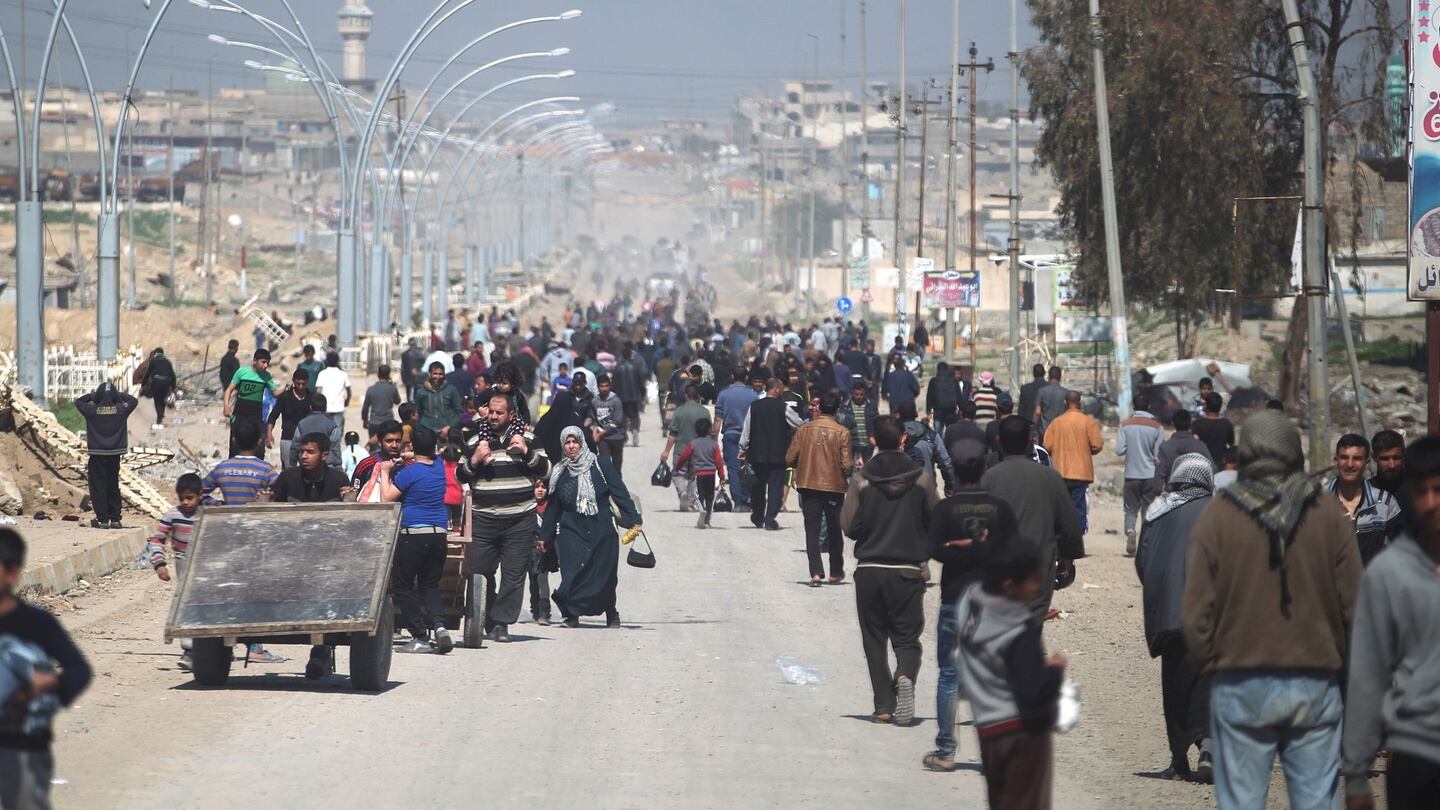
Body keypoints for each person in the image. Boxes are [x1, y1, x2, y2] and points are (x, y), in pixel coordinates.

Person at [1182, 410, 1362, 810]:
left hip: (1240, 681)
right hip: (1315, 681)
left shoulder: (1220, 514)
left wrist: (1215, 666)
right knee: (1317, 798)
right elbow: (1355, 608)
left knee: (1242, 801)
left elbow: (1195, 616)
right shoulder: (1328, 513)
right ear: (1294, 454)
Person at [1341, 435, 1440, 810]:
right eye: (1421, 492)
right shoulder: (1388, 573)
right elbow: (1369, 674)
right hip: (1414, 751)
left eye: (1438, 490)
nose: (1430, 503)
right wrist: (1355, 771)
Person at [923, 439, 1018, 773]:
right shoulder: (1001, 509)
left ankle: (946, 751)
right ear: (983, 469)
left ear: (957, 473)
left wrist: (963, 547)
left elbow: (933, 549)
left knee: (949, 676)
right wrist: (984, 547)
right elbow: (1011, 551)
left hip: (954, 599)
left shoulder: (945, 509)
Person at [840, 415, 937, 726]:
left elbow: (849, 526)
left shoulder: (862, 479)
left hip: (869, 569)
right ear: (902, 440)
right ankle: (905, 673)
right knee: (907, 637)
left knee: (874, 639)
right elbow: (935, 520)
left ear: (873, 441)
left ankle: (884, 706)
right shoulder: (921, 478)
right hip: (908, 569)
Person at [956, 541, 1065, 810]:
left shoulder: (970, 604)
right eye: (1034, 580)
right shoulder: (1018, 628)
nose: (1040, 585)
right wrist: (1054, 672)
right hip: (1023, 735)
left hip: (989, 730)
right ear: (1009, 585)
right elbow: (1031, 693)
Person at [1135, 454, 1216, 782]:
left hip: (1172, 616)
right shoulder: (1224, 511)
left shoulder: (1159, 510)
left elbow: (1143, 563)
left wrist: (1162, 594)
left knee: (1176, 684)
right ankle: (1209, 746)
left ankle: (1178, 759)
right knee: (1209, 681)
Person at [0, 529, 92, 810]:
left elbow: (79, 670)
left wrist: (48, 684)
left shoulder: (37, 624)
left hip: (24, 748)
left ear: (12, 573)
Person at [458, 393, 548, 643]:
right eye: (492, 412)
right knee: (479, 571)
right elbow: (460, 475)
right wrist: (475, 460)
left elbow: (547, 470)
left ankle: (502, 623)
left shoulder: (528, 438)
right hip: (484, 519)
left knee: (514, 574)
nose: (494, 416)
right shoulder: (476, 439)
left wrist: (527, 452)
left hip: (519, 519)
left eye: (500, 412)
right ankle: (485, 617)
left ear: (511, 414)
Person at [539, 425, 643, 628]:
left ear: (582, 443)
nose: (571, 447)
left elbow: (619, 492)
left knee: (604, 575)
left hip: (602, 529)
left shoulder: (601, 464)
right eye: (567, 443)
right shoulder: (560, 471)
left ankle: (611, 611)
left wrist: (634, 519)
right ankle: (571, 613)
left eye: (574, 442)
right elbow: (553, 507)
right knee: (571, 573)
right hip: (570, 530)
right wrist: (545, 535)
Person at [982, 416, 1084, 620]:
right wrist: (1067, 558)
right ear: (1030, 441)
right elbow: (1069, 524)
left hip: (1001, 571)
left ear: (1000, 442)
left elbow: (978, 526)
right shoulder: (1050, 478)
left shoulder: (989, 479)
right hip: (1038, 571)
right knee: (1030, 628)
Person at [377, 426, 454, 655]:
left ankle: (420, 636)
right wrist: (413, 454)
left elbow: (386, 499)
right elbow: (433, 454)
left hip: (413, 535)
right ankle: (439, 625)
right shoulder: (439, 467)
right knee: (430, 584)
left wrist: (384, 471)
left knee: (403, 586)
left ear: (411, 446)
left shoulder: (408, 474)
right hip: (439, 534)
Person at [786, 391, 852, 584]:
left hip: (808, 485)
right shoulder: (842, 432)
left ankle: (815, 572)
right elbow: (847, 465)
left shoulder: (803, 430)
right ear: (837, 410)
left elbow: (789, 458)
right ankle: (836, 571)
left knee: (812, 530)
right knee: (834, 529)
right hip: (833, 487)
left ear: (820, 408)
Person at [146, 473, 203, 670]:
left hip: (205, 562)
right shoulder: (173, 515)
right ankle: (189, 650)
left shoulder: (207, 513)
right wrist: (159, 563)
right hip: (183, 562)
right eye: (182, 498)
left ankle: (211, 647)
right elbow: (157, 540)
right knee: (186, 603)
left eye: (190, 498)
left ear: (200, 495)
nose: (186, 503)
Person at [1327, 433, 1404, 566]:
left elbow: (1402, 552)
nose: (1350, 464)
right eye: (1344, 458)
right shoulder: (1316, 503)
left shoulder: (1385, 503)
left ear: (1367, 462)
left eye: (1357, 458)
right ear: (1336, 461)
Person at [75, 382, 138, 530]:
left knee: (98, 486)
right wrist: (118, 396)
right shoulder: (121, 409)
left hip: (97, 454)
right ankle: (115, 519)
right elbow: (133, 401)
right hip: (114, 454)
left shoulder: (92, 410)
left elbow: (79, 401)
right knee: (113, 485)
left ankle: (103, 519)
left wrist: (93, 396)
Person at [741, 376, 800, 530]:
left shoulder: (754, 407)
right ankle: (770, 519)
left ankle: (758, 516)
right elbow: (798, 423)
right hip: (778, 454)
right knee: (775, 488)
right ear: (776, 389)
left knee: (758, 488)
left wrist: (742, 448)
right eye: (780, 388)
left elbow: (746, 429)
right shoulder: (783, 408)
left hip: (757, 454)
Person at [1043, 390, 1103, 535]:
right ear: (1080, 403)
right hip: (1081, 473)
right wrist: (1085, 451)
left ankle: (1062, 535)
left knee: (1062, 506)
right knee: (1079, 506)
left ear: (1065, 403)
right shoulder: (1088, 422)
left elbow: (1047, 445)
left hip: (1060, 472)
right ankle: (1078, 536)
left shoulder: (1057, 422)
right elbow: (1097, 445)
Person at [1117, 392, 1166, 556]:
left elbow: (1119, 450)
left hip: (1131, 474)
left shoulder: (1125, 425)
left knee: (1130, 508)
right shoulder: (1157, 426)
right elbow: (1159, 454)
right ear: (1149, 407)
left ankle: (1130, 531)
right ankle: (1145, 540)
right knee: (1148, 509)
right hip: (1150, 475)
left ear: (1133, 407)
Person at [660, 385, 710, 513]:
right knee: (694, 476)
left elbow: (673, 433)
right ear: (697, 396)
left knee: (677, 474)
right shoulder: (704, 412)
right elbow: (709, 433)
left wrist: (666, 451)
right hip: (698, 450)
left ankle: (682, 492)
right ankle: (691, 502)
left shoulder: (679, 411)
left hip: (681, 449)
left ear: (686, 396)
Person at [223, 349, 281, 459]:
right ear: (255, 361)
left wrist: (286, 388)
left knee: (258, 449)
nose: (266, 365)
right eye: (263, 362)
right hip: (239, 416)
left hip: (255, 417)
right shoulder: (242, 372)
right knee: (235, 448)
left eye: (268, 363)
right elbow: (229, 390)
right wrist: (226, 406)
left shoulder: (266, 376)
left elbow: (275, 393)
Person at [714, 368, 760, 507]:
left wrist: (713, 439)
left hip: (730, 435)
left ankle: (738, 500)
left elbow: (718, 418)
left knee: (733, 469)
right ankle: (747, 497)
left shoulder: (724, 394)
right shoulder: (753, 395)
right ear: (746, 377)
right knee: (748, 467)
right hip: (749, 437)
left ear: (732, 376)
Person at [271, 432, 351, 504]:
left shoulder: (339, 479)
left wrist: (348, 496)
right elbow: (272, 504)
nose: (304, 456)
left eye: (310, 452)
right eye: (302, 451)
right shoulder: (288, 477)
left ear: (324, 455)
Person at [676, 417, 727, 529]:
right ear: (709, 429)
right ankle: (707, 520)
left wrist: (678, 467)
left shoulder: (693, 444)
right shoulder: (713, 444)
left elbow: (684, 456)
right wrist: (722, 476)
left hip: (698, 474)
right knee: (710, 497)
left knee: (699, 496)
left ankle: (701, 511)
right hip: (711, 474)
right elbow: (719, 461)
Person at [266, 370, 312, 471]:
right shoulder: (285, 397)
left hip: (306, 440)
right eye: (298, 384)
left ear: (307, 382)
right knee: (288, 470)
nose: (300, 387)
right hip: (288, 438)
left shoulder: (310, 397)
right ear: (293, 381)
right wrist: (269, 433)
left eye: (303, 384)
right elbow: (273, 416)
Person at [1156, 410, 1212, 487]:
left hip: (1173, 493)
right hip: (1196, 493)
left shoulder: (1165, 447)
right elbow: (1212, 469)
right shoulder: (1200, 446)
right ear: (1190, 423)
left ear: (1173, 424)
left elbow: (1159, 474)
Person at [1368, 429, 1412, 519]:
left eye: (1396, 458)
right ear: (1374, 457)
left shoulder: (1417, 489)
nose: (1392, 465)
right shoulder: (1366, 492)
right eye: (1385, 459)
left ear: (1404, 455)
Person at [528, 478, 555, 626]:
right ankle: (535, 609)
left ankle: (545, 611)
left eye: (543, 487)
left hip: (545, 548)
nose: (540, 490)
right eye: (537, 487)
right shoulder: (528, 507)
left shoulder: (550, 507)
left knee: (541, 578)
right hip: (529, 548)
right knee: (532, 579)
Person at [291, 393, 342, 469]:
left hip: (307, 466)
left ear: (310, 407)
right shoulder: (332, 425)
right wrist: (338, 466)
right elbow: (335, 448)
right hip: (327, 466)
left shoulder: (302, 424)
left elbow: (296, 444)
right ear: (325, 407)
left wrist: (293, 461)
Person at [414, 361, 464, 438]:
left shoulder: (451, 390)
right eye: (435, 373)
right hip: (427, 430)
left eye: (440, 374)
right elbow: (418, 413)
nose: (438, 377)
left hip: (446, 431)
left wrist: (449, 426)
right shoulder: (421, 392)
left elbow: (459, 412)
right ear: (429, 374)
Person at [352, 420, 405, 492]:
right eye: (389, 441)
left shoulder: (408, 465)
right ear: (380, 442)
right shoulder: (366, 465)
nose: (394, 445)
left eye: (398, 441)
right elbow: (354, 492)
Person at [590, 373, 628, 472]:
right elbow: (594, 420)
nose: (604, 388)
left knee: (617, 466)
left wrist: (601, 434)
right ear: (598, 387)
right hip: (604, 440)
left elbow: (617, 421)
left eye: (606, 386)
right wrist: (595, 433)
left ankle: (617, 486)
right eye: (602, 386)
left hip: (616, 437)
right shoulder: (594, 402)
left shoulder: (616, 401)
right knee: (605, 465)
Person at [837, 381, 878, 465]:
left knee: (866, 467)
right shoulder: (845, 406)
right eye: (857, 394)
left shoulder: (871, 405)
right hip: (851, 444)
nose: (859, 397)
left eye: (861, 394)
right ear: (852, 394)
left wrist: (873, 436)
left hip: (867, 443)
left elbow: (876, 422)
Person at [1191, 393, 1234, 469]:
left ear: (1206, 405)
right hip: (1220, 466)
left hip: (1202, 465)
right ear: (1220, 406)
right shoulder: (1226, 424)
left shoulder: (1198, 423)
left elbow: (1193, 445)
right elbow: (1231, 445)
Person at [314, 352, 351, 435]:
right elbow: (348, 389)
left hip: (325, 408)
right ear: (338, 361)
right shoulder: (343, 374)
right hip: (339, 407)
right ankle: (335, 448)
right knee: (337, 432)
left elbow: (318, 391)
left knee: (325, 431)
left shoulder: (322, 374)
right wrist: (347, 400)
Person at [139, 347, 176, 428]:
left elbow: (148, 373)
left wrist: (143, 385)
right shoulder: (167, 362)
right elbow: (173, 376)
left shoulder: (153, 361)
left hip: (157, 382)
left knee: (157, 401)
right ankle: (161, 417)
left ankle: (160, 418)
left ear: (155, 354)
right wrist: (173, 387)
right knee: (162, 400)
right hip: (166, 383)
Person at [361, 365, 402, 436]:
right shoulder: (392, 388)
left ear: (378, 375)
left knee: (374, 445)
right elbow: (397, 401)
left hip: (374, 422)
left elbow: (365, 407)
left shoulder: (371, 389)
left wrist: (365, 420)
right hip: (388, 422)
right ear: (389, 375)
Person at [1033, 366, 1067, 441]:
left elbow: (1037, 412)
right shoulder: (1066, 392)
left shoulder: (1041, 391)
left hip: (1045, 430)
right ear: (1060, 377)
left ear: (1049, 376)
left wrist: (1034, 427)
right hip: (1061, 430)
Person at [925, 362, 960, 428]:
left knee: (938, 433)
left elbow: (929, 396)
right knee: (951, 431)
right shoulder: (953, 381)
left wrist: (928, 410)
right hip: (951, 411)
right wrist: (961, 409)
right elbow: (958, 396)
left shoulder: (933, 381)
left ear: (938, 370)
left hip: (938, 411)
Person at [1017, 363, 1047, 433]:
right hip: (1046, 424)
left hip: (1028, 424)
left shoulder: (1025, 388)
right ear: (1044, 373)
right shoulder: (1049, 388)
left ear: (1033, 374)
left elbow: (1021, 409)